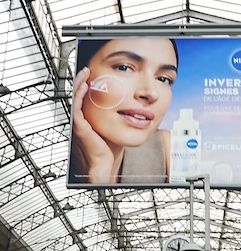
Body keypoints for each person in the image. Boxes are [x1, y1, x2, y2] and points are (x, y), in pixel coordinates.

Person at [69, 37, 179, 185]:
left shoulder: (167, 150)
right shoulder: (53, 161)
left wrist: (99, 173)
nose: (152, 93)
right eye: (124, 67)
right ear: (80, 77)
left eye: (164, 79)